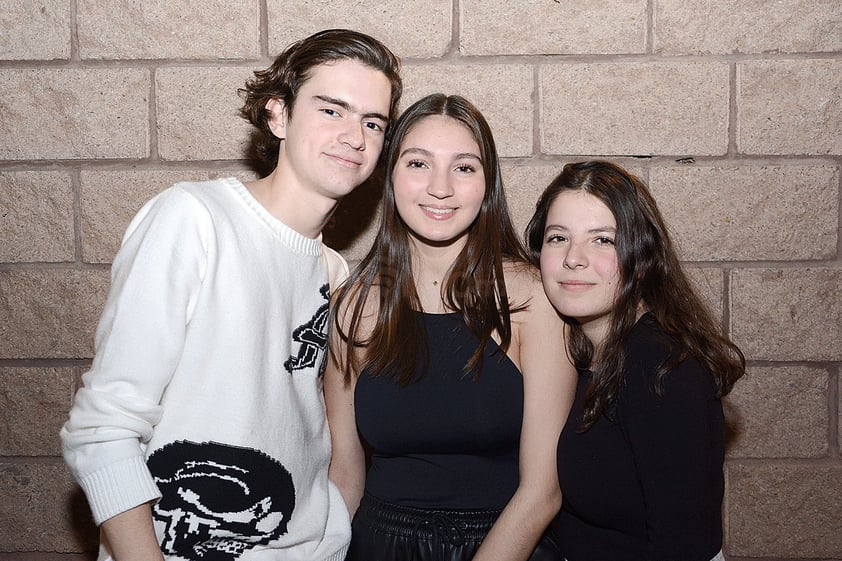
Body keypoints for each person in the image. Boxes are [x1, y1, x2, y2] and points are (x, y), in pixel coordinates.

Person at [60, 29, 401, 561]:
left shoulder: (333, 272)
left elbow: (314, 437)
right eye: (332, 110)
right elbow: (102, 430)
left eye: (372, 122)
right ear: (278, 115)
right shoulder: (194, 220)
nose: (355, 137)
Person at [325, 93, 575, 561]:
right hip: (378, 546)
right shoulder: (352, 307)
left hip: (505, 545)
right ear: (390, 177)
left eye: (464, 167)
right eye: (418, 163)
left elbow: (543, 491)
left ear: (487, 184)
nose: (440, 188)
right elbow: (344, 473)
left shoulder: (532, 300)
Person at [525, 160, 746, 561]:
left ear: (642, 256)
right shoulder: (579, 352)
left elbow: (685, 546)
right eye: (558, 238)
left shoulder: (661, 367)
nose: (574, 258)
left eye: (602, 240)